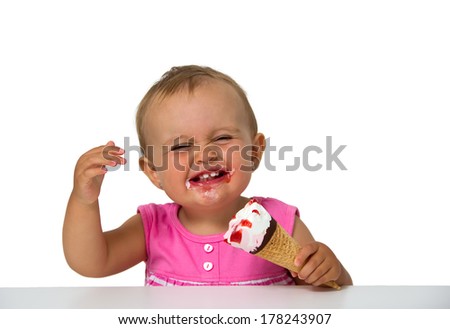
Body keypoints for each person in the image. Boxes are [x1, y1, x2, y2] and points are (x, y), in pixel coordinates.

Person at [63, 65, 352, 287]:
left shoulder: (280, 221)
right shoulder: (152, 228)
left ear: (255, 150)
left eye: (223, 137)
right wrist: (84, 201)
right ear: (154, 172)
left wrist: (329, 269)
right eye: (181, 146)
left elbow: (331, 293)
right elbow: (91, 263)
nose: (204, 155)